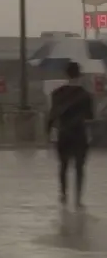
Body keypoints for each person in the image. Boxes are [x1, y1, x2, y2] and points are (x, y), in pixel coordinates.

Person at [46, 61, 96, 207]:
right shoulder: (86, 95)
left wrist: (48, 132)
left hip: (64, 133)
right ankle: (78, 199)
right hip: (79, 133)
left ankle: (63, 194)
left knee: (63, 165)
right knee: (79, 168)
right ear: (79, 75)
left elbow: (52, 115)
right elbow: (90, 116)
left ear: (66, 74)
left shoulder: (57, 93)